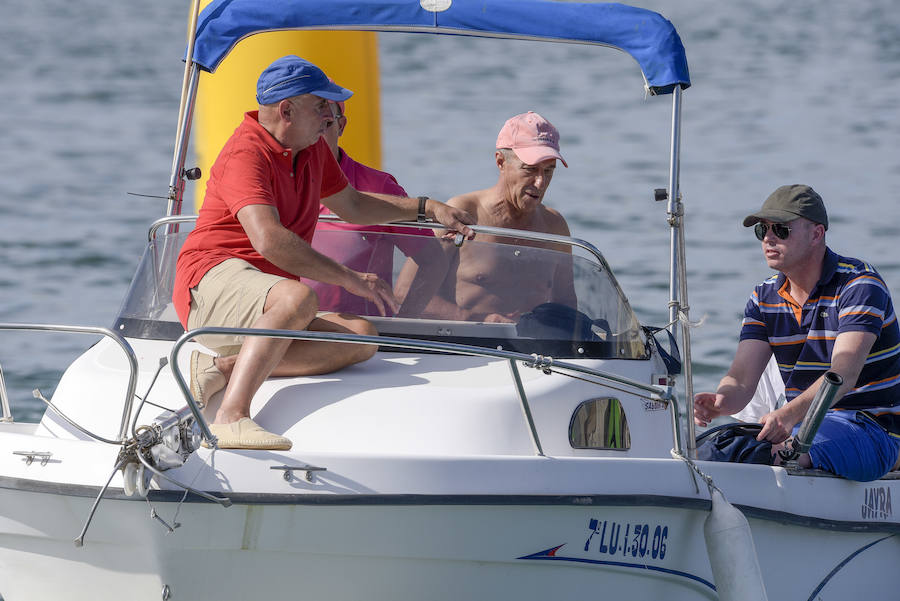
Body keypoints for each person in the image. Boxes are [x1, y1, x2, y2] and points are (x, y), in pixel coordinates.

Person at [173, 55, 474, 450]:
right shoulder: (244, 154)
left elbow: (352, 204)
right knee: (298, 296)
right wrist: (349, 278)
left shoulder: (310, 149)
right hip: (207, 286)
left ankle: (217, 369)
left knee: (362, 338)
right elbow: (269, 240)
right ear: (287, 110)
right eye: (321, 108)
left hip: (263, 302)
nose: (327, 117)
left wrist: (428, 207)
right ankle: (231, 417)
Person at [693, 184, 900, 481]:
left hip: (870, 427)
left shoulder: (860, 286)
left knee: (766, 454)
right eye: (762, 230)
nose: (768, 238)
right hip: (805, 425)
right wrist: (720, 402)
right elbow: (740, 380)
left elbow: (843, 375)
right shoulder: (763, 296)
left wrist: (787, 415)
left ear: (817, 234)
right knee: (709, 452)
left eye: (781, 229)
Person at [403, 111, 577, 323]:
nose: (540, 182)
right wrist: (477, 319)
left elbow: (566, 304)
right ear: (500, 162)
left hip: (531, 350)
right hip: (466, 346)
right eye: (530, 169)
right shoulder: (461, 213)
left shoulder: (554, 225)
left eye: (549, 171)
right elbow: (404, 293)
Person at [307, 97, 436, 315]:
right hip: (291, 327)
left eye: (327, 123)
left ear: (341, 126)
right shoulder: (276, 181)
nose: (316, 132)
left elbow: (433, 260)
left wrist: (405, 324)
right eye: (309, 122)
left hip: (363, 334)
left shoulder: (379, 186)